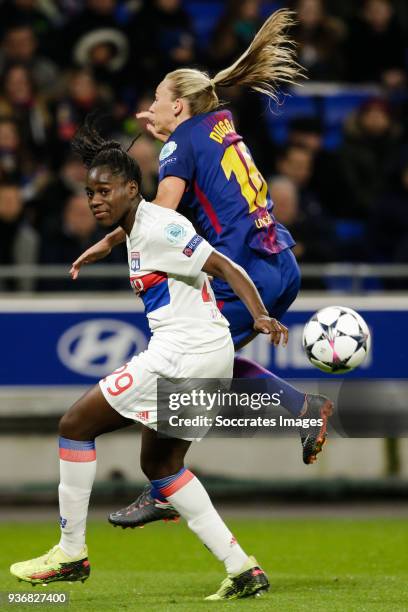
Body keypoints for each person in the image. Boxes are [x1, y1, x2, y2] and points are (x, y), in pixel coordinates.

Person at [70, 10, 333, 527]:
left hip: (248, 270)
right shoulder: (218, 124)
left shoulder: (179, 144)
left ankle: (296, 411)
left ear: (179, 105)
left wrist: (108, 239)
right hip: (280, 263)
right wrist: (165, 134)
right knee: (205, 367)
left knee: (190, 363)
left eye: (155, 101)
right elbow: (195, 164)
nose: (148, 109)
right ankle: (170, 482)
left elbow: (159, 215)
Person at [10, 116, 290, 599]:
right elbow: (145, 235)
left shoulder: (161, 227)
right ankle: (243, 568)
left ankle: (71, 552)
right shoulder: (138, 227)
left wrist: (260, 315)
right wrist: (104, 245)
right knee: (161, 467)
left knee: (75, 426)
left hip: (183, 357)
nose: (95, 200)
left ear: (132, 188)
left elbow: (223, 264)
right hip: (204, 357)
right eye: (89, 193)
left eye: (105, 191)